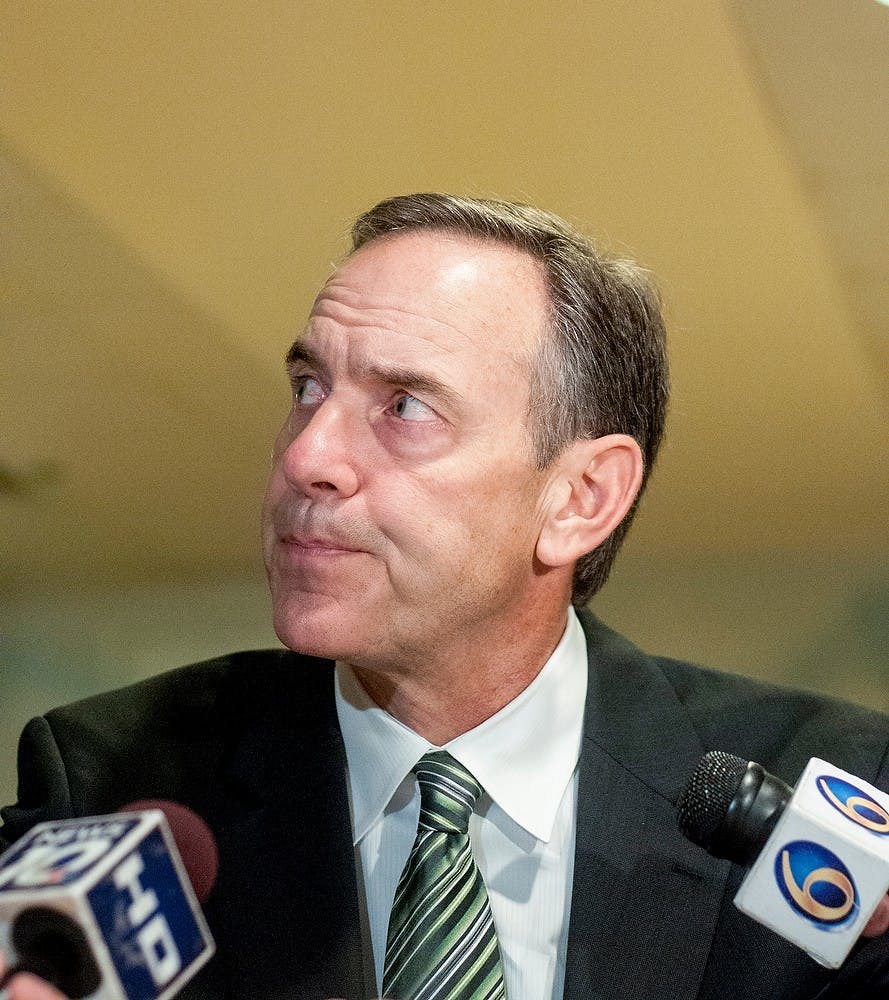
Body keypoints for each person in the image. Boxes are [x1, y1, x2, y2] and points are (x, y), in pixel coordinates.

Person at [1, 193, 887, 1000]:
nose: (308, 456)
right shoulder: (116, 783)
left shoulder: (833, 806)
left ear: (580, 499)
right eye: (308, 388)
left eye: (405, 407)